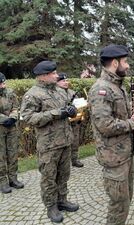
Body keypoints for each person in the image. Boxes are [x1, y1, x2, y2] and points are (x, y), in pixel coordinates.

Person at [88, 44, 134, 225]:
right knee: (118, 204)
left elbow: (118, 117)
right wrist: (131, 123)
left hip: (125, 154)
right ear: (114, 63)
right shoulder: (101, 89)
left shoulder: (117, 86)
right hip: (113, 157)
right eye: (125, 62)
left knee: (126, 200)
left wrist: (131, 118)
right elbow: (104, 125)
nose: (127, 66)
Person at [20, 61, 79, 223]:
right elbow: (28, 117)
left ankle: (62, 200)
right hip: (48, 145)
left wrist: (70, 110)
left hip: (65, 141)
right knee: (49, 178)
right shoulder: (32, 94)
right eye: (53, 73)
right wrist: (55, 113)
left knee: (64, 175)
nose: (56, 75)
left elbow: (66, 108)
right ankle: (51, 206)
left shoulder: (59, 91)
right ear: (44, 76)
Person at [0, 72, 24, 194]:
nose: (3, 85)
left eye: (4, 82)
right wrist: (5, 119)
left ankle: (13, 178)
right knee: (1, 156)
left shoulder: (10, 92)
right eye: (1, 83)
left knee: (13, 153)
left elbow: (16, 107)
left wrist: (13, 117)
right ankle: (2, 182)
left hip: (11, 127)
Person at [56, 72, 84, 168]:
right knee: (64, 143)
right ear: (57, 82)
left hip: (74, 121)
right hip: (63, 123)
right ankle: (64, 162)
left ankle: (75, 159)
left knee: (75, 140)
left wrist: (80, 116)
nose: (66, 82)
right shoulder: (55, 93)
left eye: (67, 80)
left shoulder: (72, 92)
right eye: (63, 81)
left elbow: (79, 106)